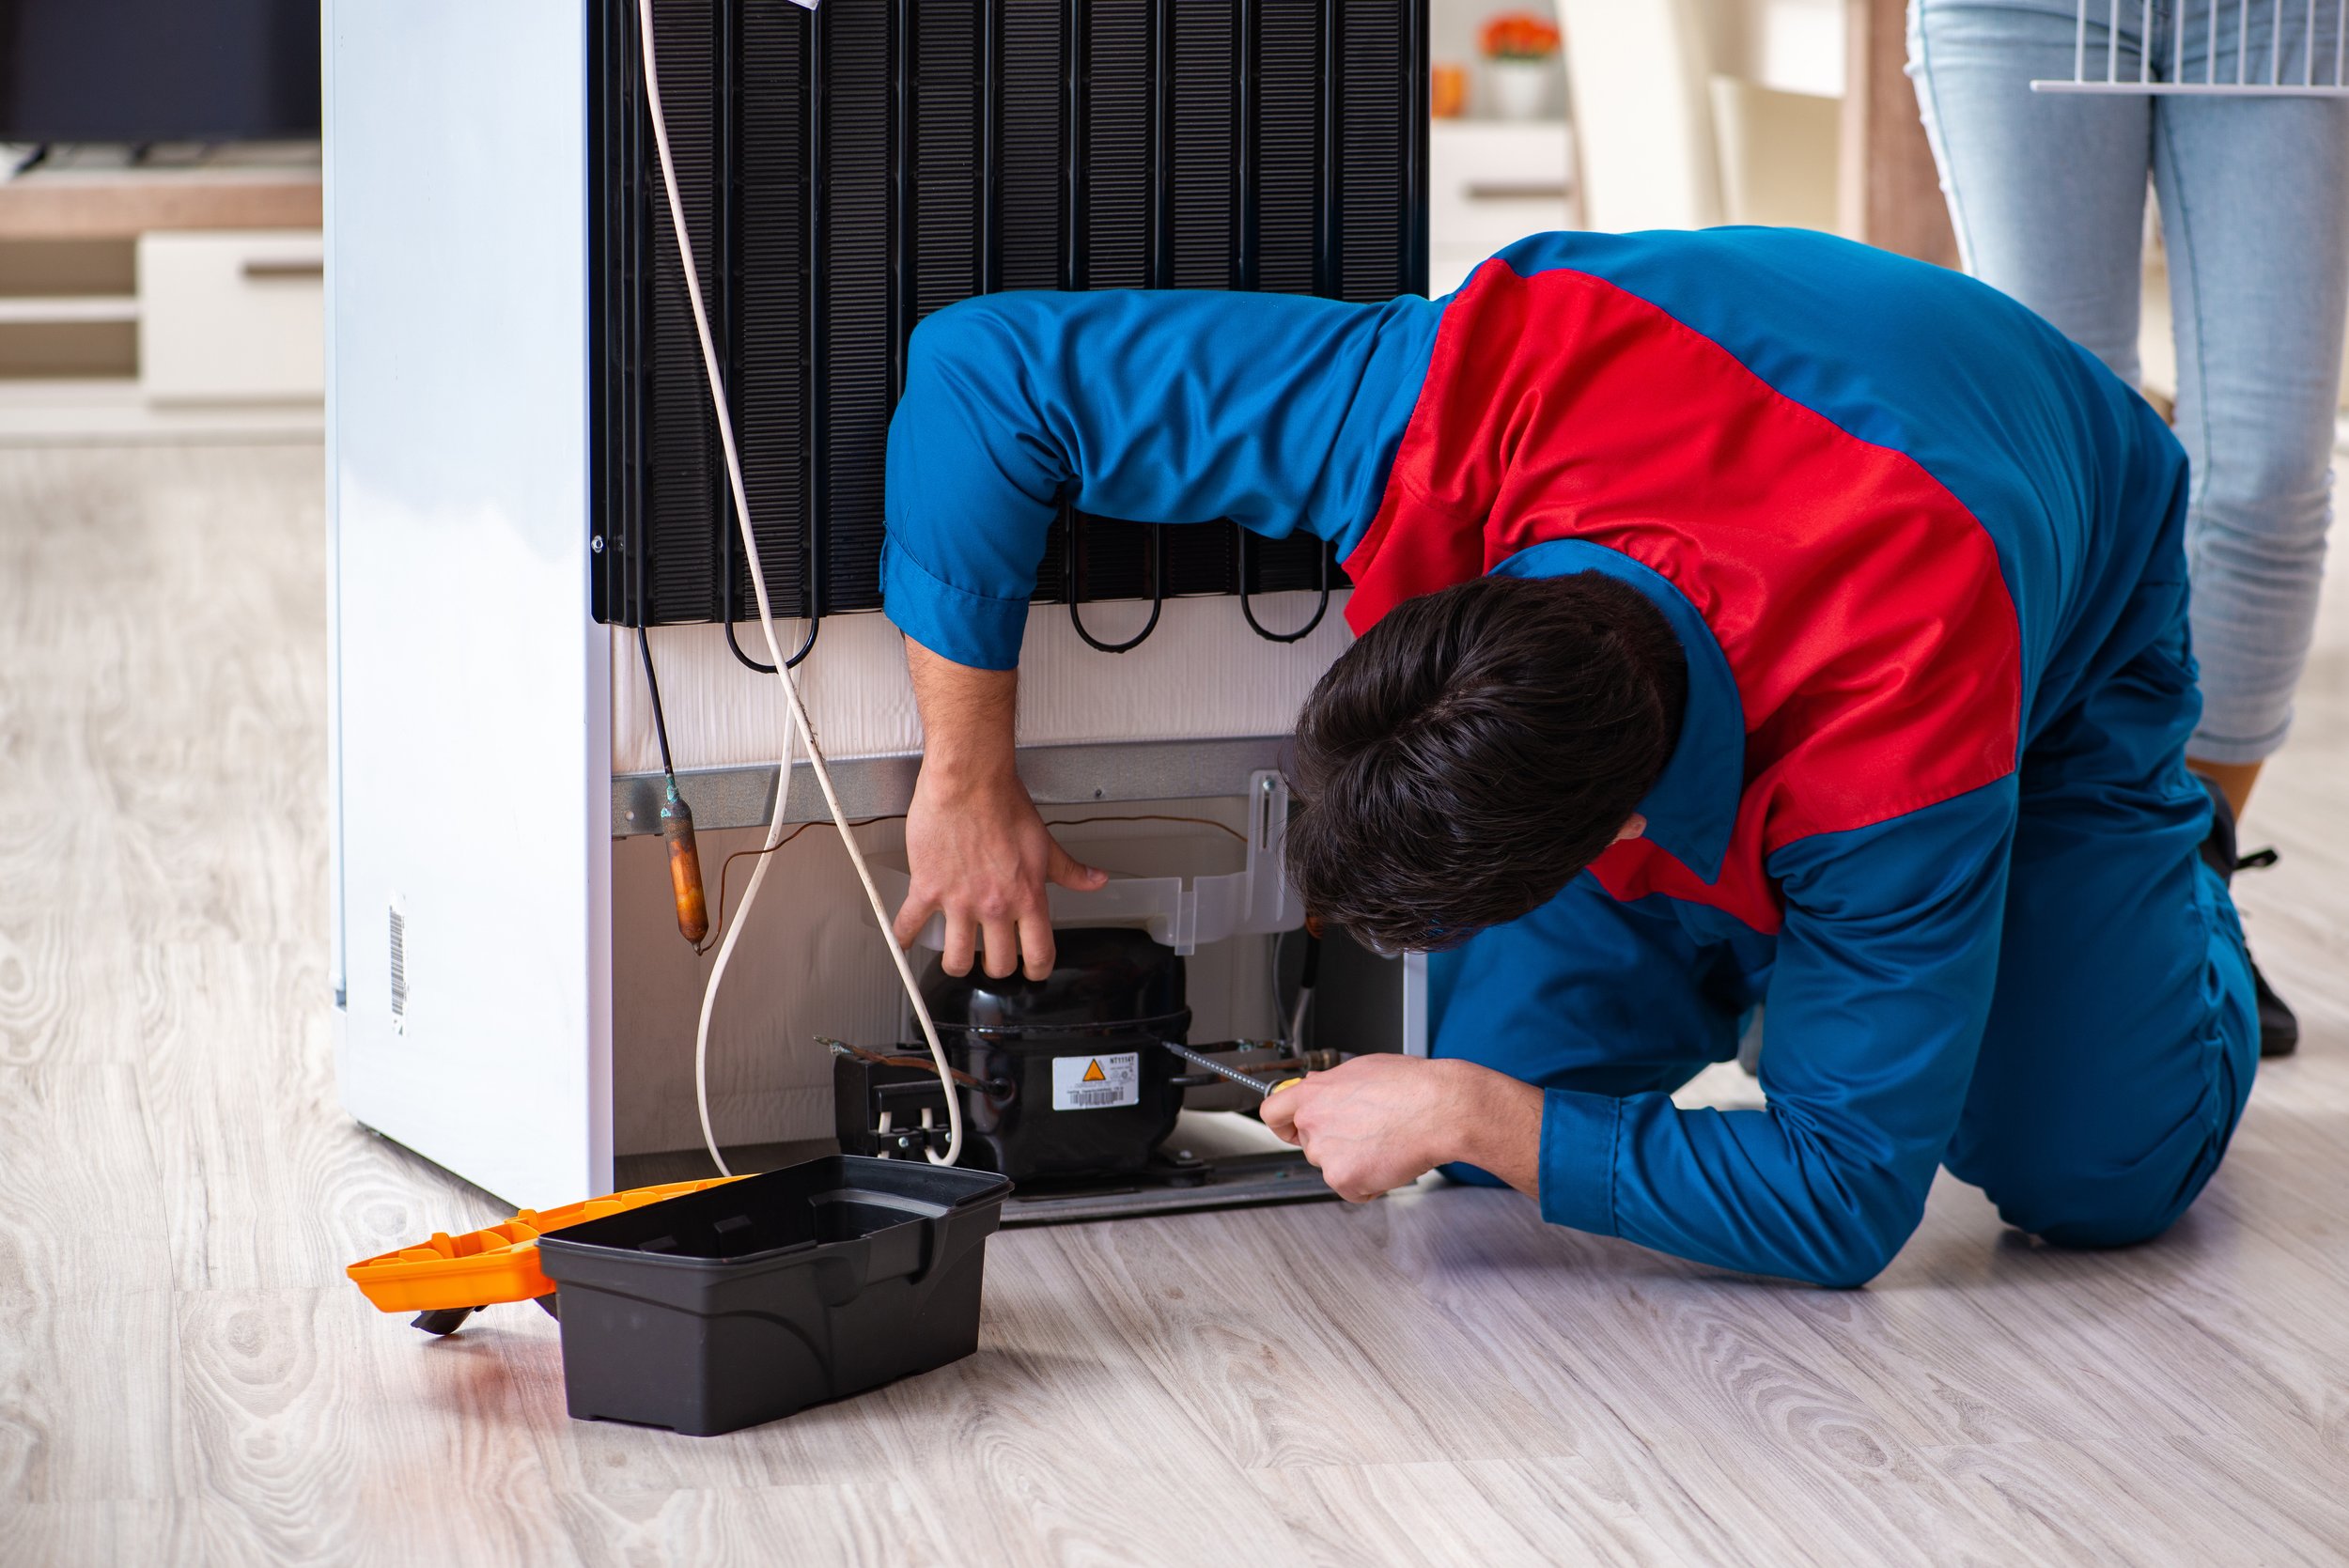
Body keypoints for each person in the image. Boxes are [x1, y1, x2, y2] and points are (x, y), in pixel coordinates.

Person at [880, 228, 2258, 1288]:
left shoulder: (1902, 730)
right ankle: (1814, 973)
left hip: (2059, 597)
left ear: (1616, 843)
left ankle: (2160, 874)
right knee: (1501, 1185)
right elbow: (987, 374)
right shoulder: (1450, 407)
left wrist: (1477, 1110)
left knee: (2093, 1175)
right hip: (1715, 416)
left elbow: (1846, 1203)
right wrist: (963, 774)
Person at [1908, 0, 2349, 1055]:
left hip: (2283, 19)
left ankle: (2182, 878)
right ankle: (2076, 890)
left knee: (2270, 473)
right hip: (2022, 12)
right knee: (2066, 470)